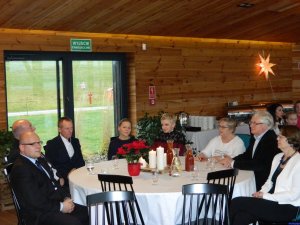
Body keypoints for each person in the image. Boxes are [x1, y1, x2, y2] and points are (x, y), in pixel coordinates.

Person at [10, 131, 88, 225]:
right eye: (32, 144)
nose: (38, 146)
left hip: (53, 204)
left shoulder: (40, 160)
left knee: (87, 211)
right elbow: (34, 201)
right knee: (73, 222)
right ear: (22, 147)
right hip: (38, 214)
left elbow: (55, 184)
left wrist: (66, 198)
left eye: (39, 142)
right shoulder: (21, 169)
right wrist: (61, 206)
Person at [230, 126, 300, 225]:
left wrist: (266, 196)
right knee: (242, 216)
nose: (277, 139)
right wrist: (261, 192)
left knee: (236, 202)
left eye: (280, 137)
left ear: (291, 140)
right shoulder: (278, 157)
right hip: (271, 200)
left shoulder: (298, 162)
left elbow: (294, 195)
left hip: (287, 207)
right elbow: (269, 182)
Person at [219, 111, 280, 191]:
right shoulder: (256, 137)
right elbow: (247, 155)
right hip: (255, 175)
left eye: (255, 123)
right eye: (251, 122)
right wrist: (232, 159)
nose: (251, 125)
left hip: (263, 182)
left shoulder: (270, 141)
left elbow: (259, 165)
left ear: (265, 125)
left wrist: (233, 163)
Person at [44, 117, 85, 186]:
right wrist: (65, 175)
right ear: (59, 129)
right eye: (67, 128)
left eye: (71, 128)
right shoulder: (52, 144)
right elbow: (51, 165)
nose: (70, 131)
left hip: (79, 177)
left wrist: (75, 169)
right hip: (63, 182)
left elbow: (81, 160)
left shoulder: (75, 141)